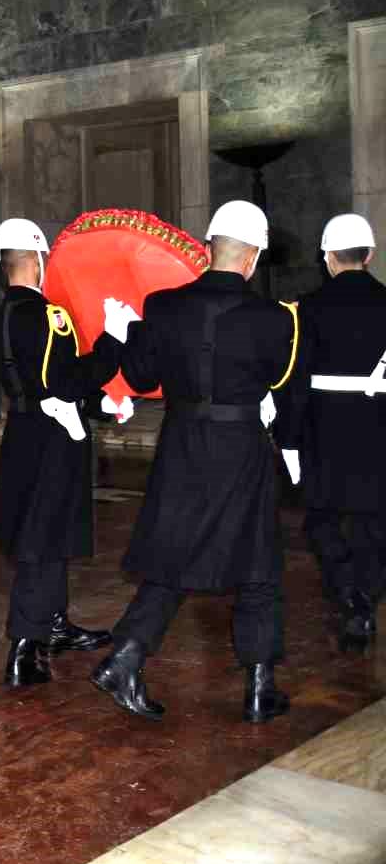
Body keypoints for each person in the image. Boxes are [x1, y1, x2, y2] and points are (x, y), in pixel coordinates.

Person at [93, 200, 304, 724]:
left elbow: (141, 380)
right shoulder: (275, 319)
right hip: (241, 447)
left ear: (209, 250)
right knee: (259, 563)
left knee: (173, 555)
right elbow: (282, 382)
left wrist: (132, 331)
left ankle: (126, 655)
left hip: (182, 443)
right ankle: (258, 687)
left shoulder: (162, 306)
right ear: (253, 258)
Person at [0, 219, 121, 687]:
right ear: (39, 260)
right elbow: (65, 380)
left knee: (46, 528)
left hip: (24, 431)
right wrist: (112, 342)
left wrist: (100, 404)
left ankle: (55, 624)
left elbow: (43, 384)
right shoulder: (48, 316)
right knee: (42, 539)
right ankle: (25, 648)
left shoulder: (0, 315)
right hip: (53, 439)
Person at [283, 213, 386, 652]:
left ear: (327, 257)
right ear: (370, 255)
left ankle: (346, 590)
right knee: (376, 521)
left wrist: (288, 437)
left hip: (324, 425)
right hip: (379, 423)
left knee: (323, 517)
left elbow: (295, 376)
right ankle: (364, 598)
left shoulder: (306, 308)